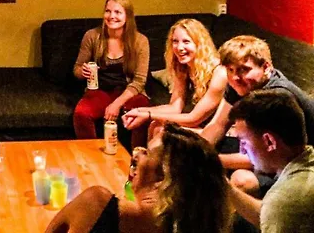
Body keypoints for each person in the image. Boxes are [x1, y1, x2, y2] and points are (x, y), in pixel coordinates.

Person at [46, 123, 230, 233]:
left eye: (147, 152)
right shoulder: (196, 223)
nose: (136, 153)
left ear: (164, 178)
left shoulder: (96, 204)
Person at [200, 35, 314, 197]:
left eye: (244, 69)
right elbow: (218, 125)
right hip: (262, 152)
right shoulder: (240, 85)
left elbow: (264, 155)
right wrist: (197, 151)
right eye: (230, 70)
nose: (235, 77)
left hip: (296, 165)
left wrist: (207, 160)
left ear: (266, 67)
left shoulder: (276, 97)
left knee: (242, 180)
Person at [122, 18, 227, 139]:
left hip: (213, 131)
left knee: (161, 130)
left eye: (186, 42)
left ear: (200, 44)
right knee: (156, 125)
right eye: (175, 41)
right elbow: (174, 108)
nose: (179, 47)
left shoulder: (219, 73)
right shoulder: (183, 68)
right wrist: (139, 112)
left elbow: (194, 118)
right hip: (197, 125)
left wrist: (148, 115)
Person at [228, 90, 314, 233]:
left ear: (269, 141)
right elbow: (269, 214)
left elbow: (279, 209)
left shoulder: (286, 199)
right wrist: (225, 187)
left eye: (244, 142)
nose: (242, 151)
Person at [72, 0, 150, 147]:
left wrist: (116, 104)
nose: (111, 16)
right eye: (108, 11)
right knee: (81, 114)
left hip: (129, 91)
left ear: (127, 16)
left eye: (117, 12)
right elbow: (76, 69)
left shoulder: (140, 41)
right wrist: (83, 71)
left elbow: (139, 81)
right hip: (99, 90)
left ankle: (136, 157)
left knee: (141, 114)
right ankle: (91, 155)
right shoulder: (92, 36)